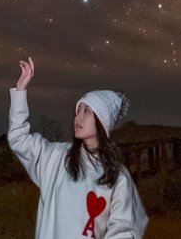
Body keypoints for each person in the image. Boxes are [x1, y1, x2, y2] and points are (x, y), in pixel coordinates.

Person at [8, 57, 149, 238]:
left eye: (86, 111)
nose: (78, 117)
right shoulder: (56, 157)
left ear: (101, 122)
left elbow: (124, 230)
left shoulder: (117, 178)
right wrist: (20, 91)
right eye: (78, 110)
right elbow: (19, 138)